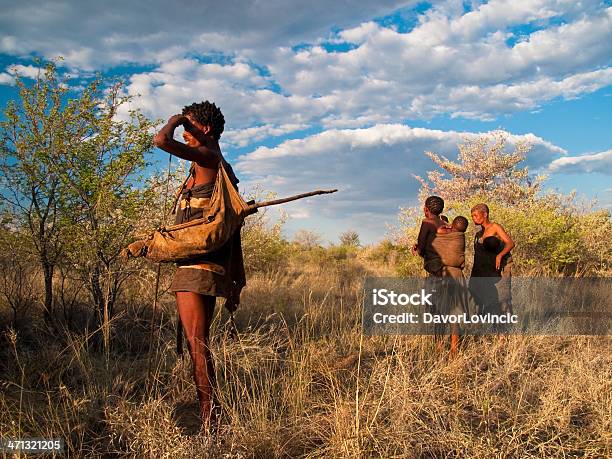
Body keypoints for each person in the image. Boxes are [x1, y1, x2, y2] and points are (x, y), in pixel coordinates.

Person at [153, 100, 245, 431]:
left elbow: (161, 141)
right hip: (202, 265)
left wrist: (176, 118)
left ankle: (210, 416)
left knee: (197, 343)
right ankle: (210, 411)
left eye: (190, 127)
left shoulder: (209, 159)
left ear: (203, 129)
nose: (185, 133)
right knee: (200, 342)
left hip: (199, 267)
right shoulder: (213, 167)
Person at [411, 196, 464, 355]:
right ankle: (454, 349)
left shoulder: (427, 223)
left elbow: (421, 248)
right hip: (453, 271)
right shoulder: (446, 224)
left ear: (426, 209)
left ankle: (439, 347)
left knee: (438, 311)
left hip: (437, 272)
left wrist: (417, 249)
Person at [469, 203, 515, 321]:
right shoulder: (479, 234)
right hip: (487, 271)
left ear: (484, 214)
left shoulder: (495, 227)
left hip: (501, 268)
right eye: (472, 216)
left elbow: (510, 243)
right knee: (486, 298)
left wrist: (500, 255)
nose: (473, 218)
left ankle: (504, 334)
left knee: (502, 297)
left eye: (475, 215)